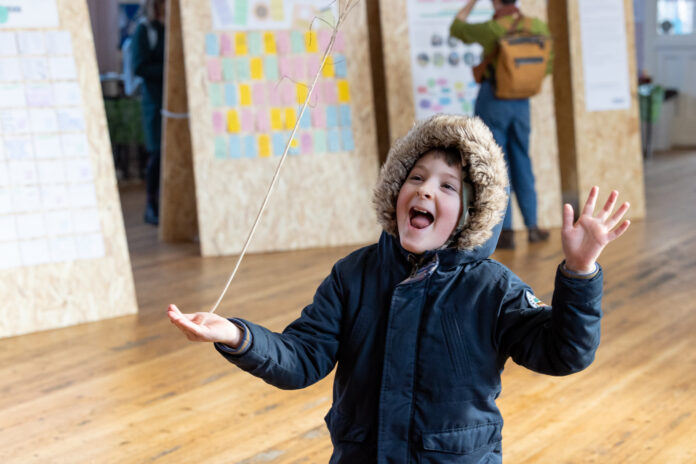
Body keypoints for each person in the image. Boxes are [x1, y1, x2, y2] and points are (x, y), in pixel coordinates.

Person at [167, 114, 630, 463]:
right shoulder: (354, 275)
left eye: (448, 187)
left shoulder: (492, 289)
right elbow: (302, 358)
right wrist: (236, 335)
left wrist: (579, 269)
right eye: (416, 178)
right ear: (396, 191)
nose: (426, 191)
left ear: (471, 215)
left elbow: (564, 353)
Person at [450, 0, 554, 249]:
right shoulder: (537, 26)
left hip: (494, 99)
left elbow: (457, 27)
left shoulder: (492, 29)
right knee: (522, 160)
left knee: (497, 165)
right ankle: (532, 226)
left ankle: (504, 232)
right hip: (522, 103)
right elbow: (547, 65)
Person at [131, 0, 166, 225]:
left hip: (173, 104)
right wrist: (168, 70)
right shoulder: (144, 31)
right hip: (154, 103)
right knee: (157, 153)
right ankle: (151, 205)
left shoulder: (165, 29)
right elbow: (139, 67)